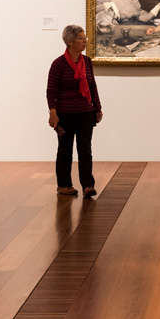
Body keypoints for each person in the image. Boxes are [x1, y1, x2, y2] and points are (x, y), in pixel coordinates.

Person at [46, 24, 103, 197]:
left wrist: (97, 108)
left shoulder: (86, 62)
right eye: (81, 38)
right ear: (70, 42)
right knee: (65, 149)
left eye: (84, 37)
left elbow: (92, 86)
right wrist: (53, 113)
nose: (85, 41)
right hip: (65, 114)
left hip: (85, 112)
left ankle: (87, 185)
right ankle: (64, 185)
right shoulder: (59, 64)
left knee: (85, 149)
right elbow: (51, 90)